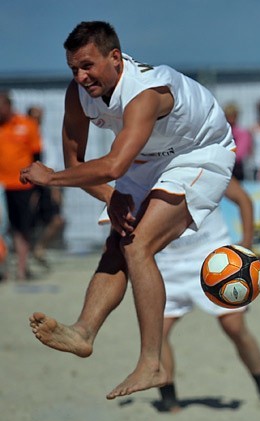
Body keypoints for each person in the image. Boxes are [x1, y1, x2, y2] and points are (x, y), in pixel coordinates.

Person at [21, 21, 236, 399]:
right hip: (148, 158)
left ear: (115, 58)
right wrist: (109, 196)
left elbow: (111, 165)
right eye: (74, 68)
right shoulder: (79, 93)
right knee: (117, 242)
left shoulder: (146, 93)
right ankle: (84, 331)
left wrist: (51, 178)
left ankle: (152, 363)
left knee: (139, 245)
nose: (81, 76)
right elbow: (78, 163)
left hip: (202, 150)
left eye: (88, 65)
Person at [155, 179, 260, 411]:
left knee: (235, 327)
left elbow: (243, 199)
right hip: (166, 263)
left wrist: (247, 244)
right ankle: (168, 397)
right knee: (156, 334)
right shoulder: (141, 170)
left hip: (214, 258)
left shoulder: (201, 161)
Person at [0, 91, 42, 280]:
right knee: (4, 227)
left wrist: (37, 186)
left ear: (8, 106)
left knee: (21, 228)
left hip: (23, 186)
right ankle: (5, 267)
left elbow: (37, 157)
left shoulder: (26, 125)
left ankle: (21, 269)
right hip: (2, 186)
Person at [26, 105, 66, 268]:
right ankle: (31, 251)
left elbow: (51, 163)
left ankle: (38, 247)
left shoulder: (43, 136)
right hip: (35, 184)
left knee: (56, 220)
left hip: (47, 183)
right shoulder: (27, 136)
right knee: (29, 220)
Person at [223, 102, 252, 181]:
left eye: (232, 115)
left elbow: (239, 154)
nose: (230, 118)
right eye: (228, 115)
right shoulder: (221, 132)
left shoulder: (243, 133)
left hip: (236, 170)